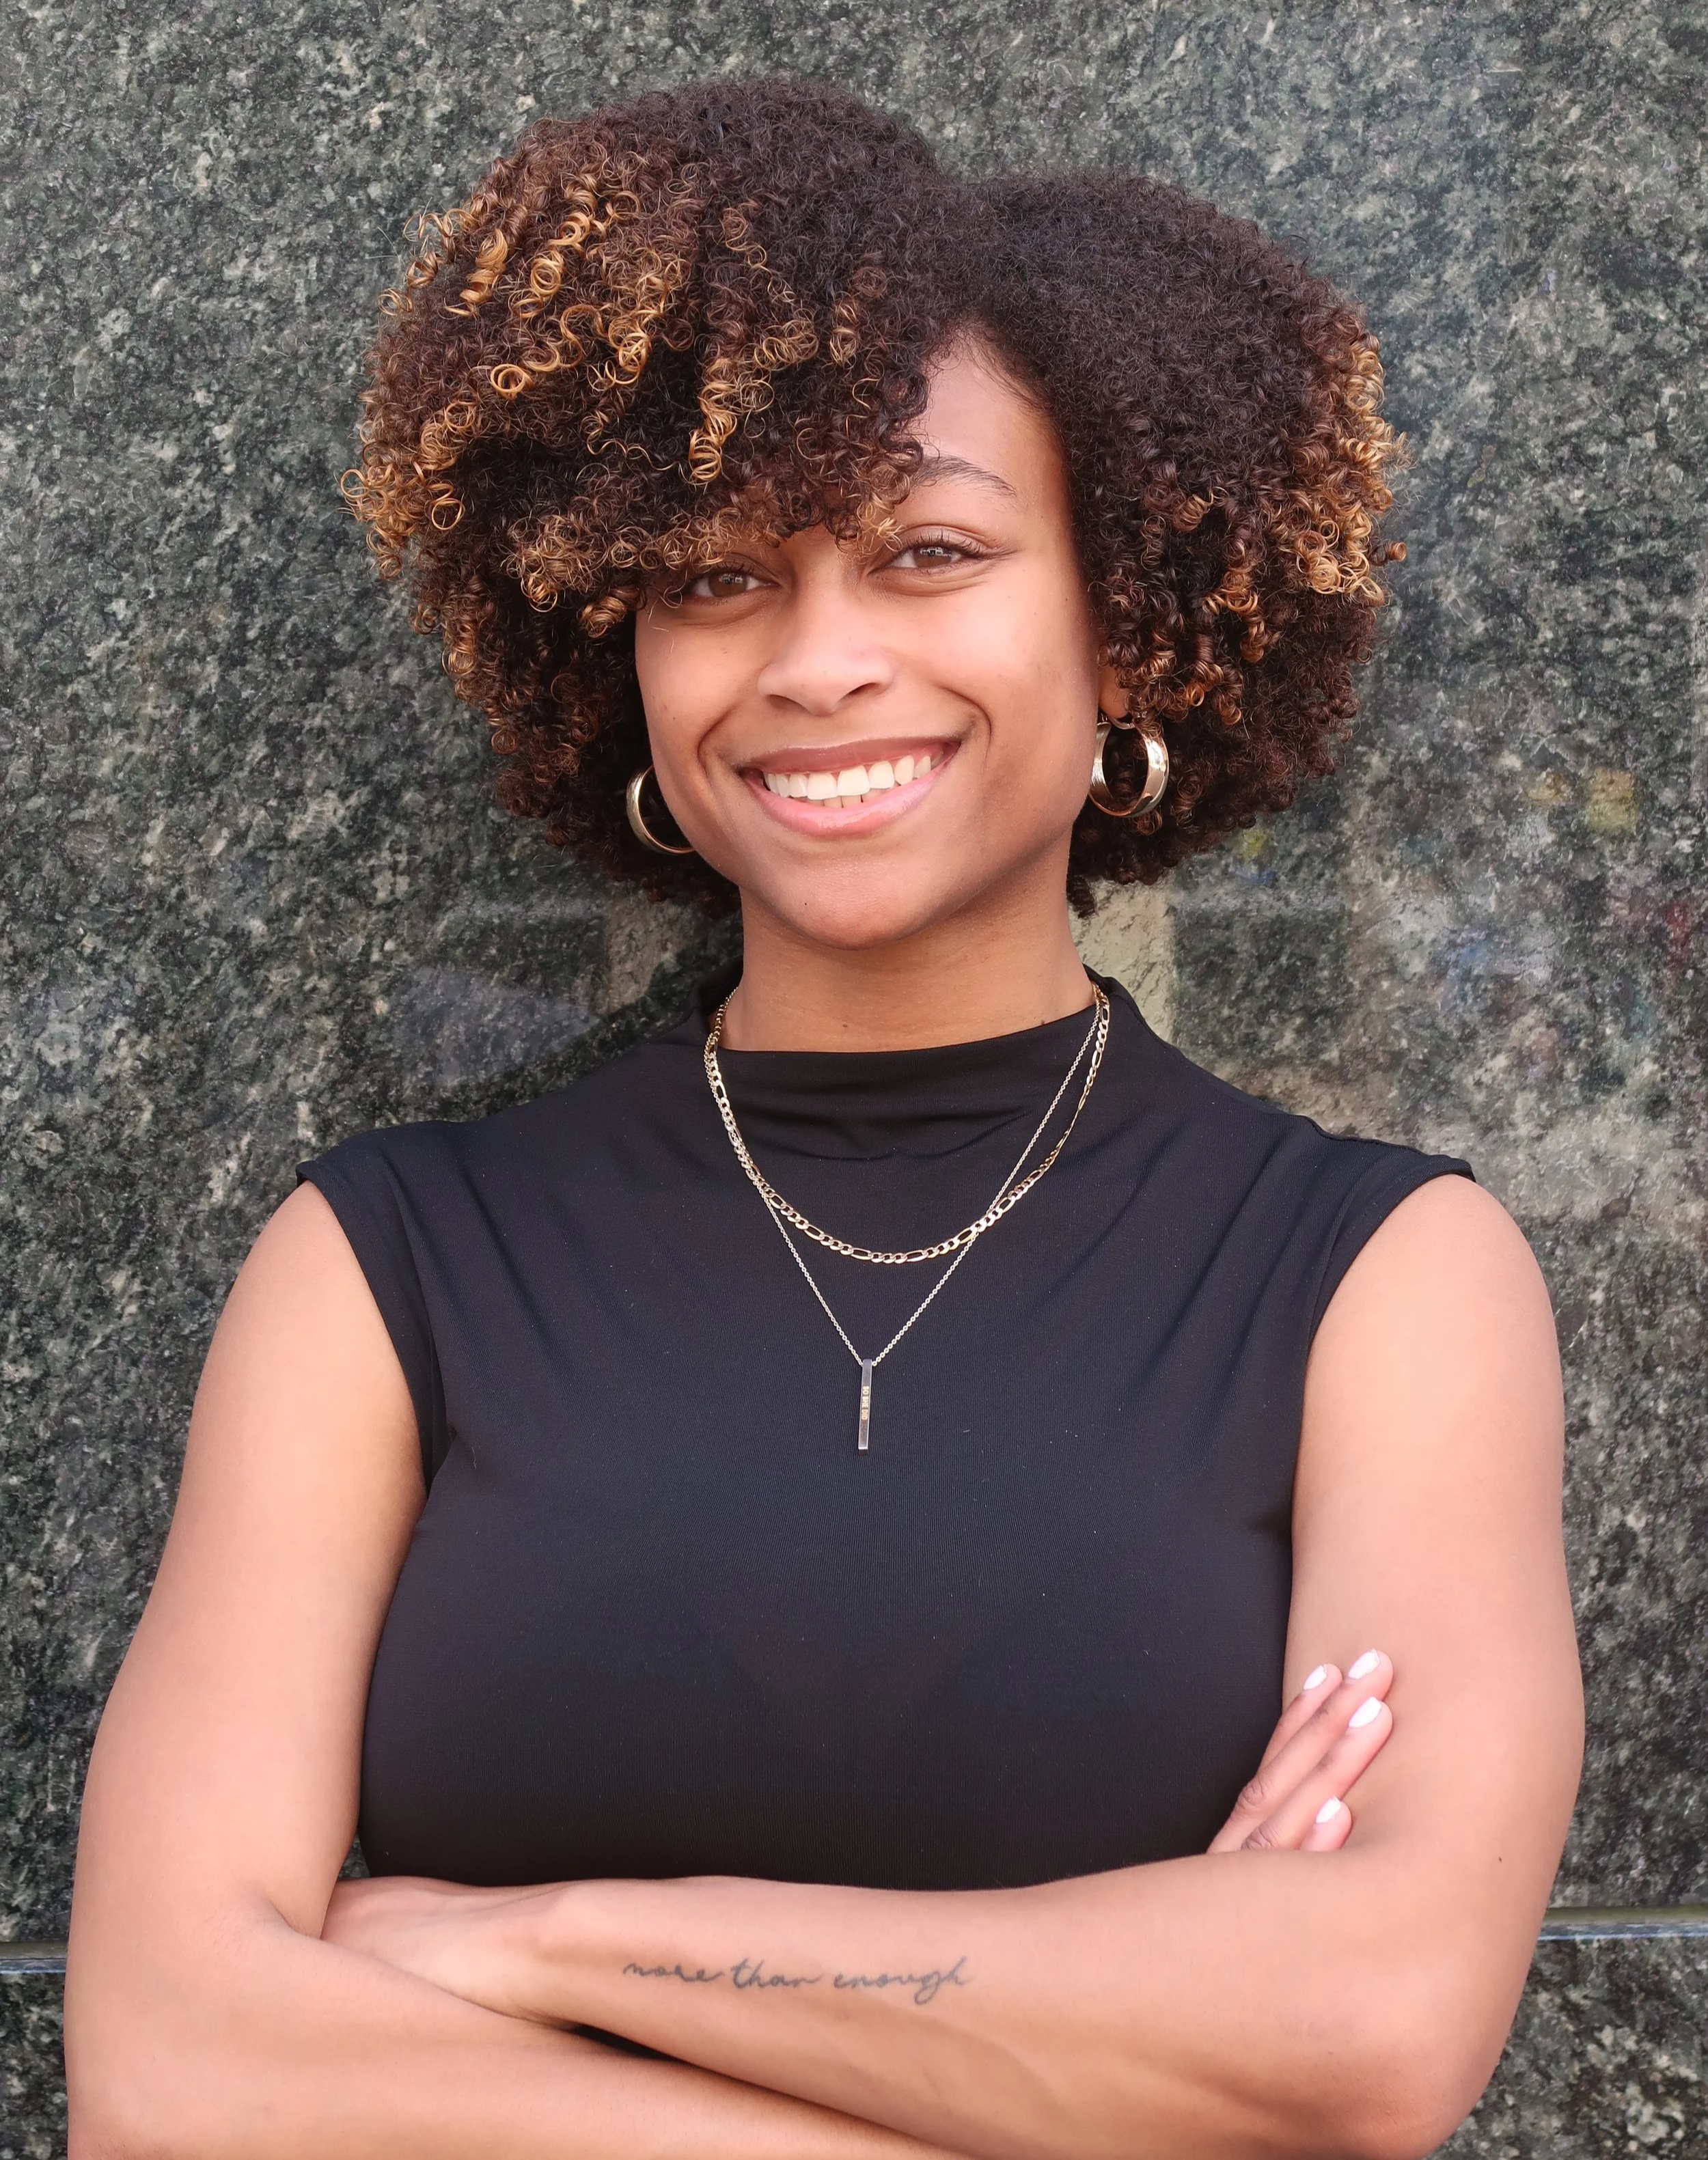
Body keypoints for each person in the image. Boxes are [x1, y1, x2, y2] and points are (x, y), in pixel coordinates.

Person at [65, 77, 1582, 2160]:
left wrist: (550, 1945)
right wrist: (1095, 2052)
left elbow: (1366, 2032)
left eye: (929, 553)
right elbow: (176, 2074)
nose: (816, 660)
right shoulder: (387, 1265)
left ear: (1125, 617)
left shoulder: (1379, 1279)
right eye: (712, 578)